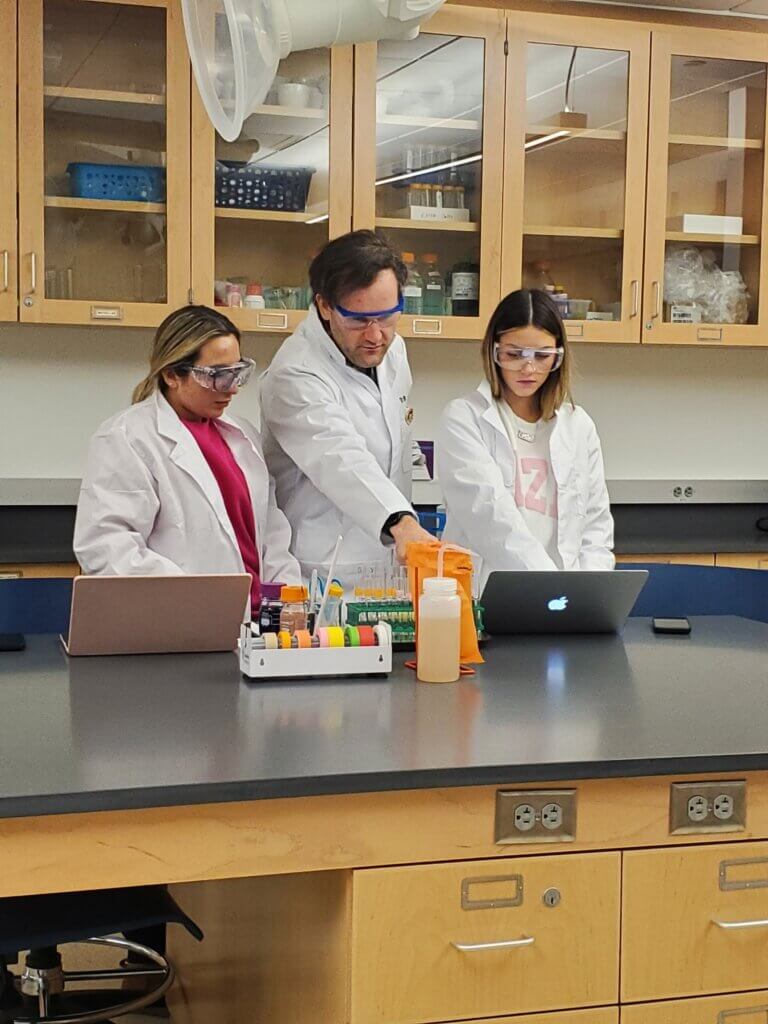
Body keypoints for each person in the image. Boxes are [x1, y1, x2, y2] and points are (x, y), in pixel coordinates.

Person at [74, 305, 300, 615]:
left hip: (259, 624)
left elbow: (270, 531)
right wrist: (197, 602)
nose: (232, 387)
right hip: (181, 622)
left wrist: (287, 598)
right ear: (171, 374)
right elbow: (108, 549)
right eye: (217, 375)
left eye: (237, 372)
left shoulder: (241, 436)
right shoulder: (128, 438)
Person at [260, 230, 435, 588]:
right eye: (358, 320)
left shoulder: (394, 350)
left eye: (387, 317)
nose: (375, 336)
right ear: (325, 306)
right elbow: (341, 457)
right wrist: (401, 522)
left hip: (391, 564)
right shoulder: (295, 373)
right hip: (323, 572)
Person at [436, 288, 614, 592]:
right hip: (486, 596)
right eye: (514, 355)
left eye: (543, 356)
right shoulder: (464, 418)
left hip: (566, 601)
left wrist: (587, 595)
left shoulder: (578, 425)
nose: (528, 369)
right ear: (494, 352)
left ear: (559, 356)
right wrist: (552, 588)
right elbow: (491, 520)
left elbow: (595, 529)